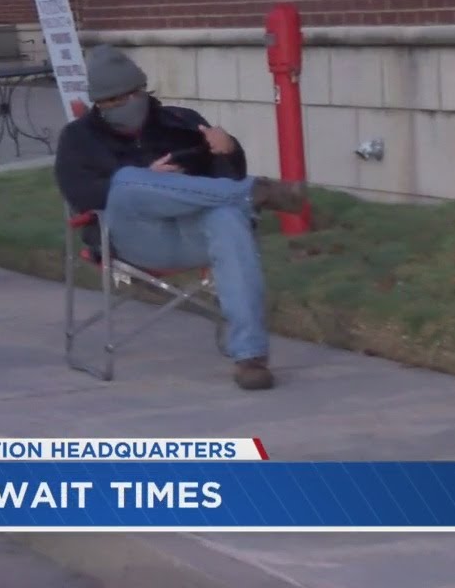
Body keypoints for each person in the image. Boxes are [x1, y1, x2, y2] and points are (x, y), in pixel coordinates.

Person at [55, 45, 306, 391]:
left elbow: (222, 179)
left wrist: (229, 151)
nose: (122, 105)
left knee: (228, 220)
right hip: (131, 238)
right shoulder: (78, 138)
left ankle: (250, 356)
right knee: (126, 182)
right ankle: (257, 192)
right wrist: (149, 177)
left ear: (142, 90)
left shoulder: (183, 122)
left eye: (129, 95)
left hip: (191, 233)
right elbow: (81, 195)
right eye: (110, 102)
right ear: (98, 104)